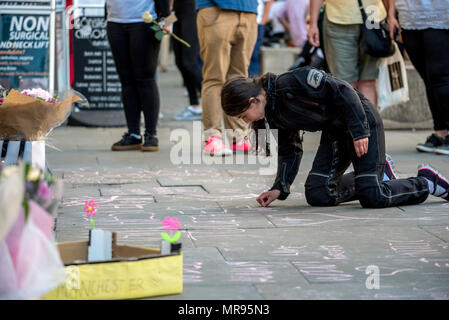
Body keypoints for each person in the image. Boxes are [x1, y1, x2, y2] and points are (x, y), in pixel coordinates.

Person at [220, 67, 449, 208]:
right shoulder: (273, 113)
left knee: (374, 196)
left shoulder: (291, 81)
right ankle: (381, 172)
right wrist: (279, 187)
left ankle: (426, 182)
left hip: (361, 121)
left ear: (253, 101)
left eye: (243, 115)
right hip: (336, 133)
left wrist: (360, 131)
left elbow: (343, 90)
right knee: (318, 194)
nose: (245, 121)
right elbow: (290, 149)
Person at [387, 0, 449, 155]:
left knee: (439, 76)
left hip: (440, 15)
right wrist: (391, 14)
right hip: (409, 17)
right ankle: (440, 132)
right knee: (428, 78)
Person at [106, 0, 170, 152]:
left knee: (145, 79)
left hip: (144, 21)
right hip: (115, 21)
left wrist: (166, 20)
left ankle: (151, 134)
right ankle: (133, 133)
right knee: (126, 80)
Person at [197, 0, 258, 156]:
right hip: (215, 9)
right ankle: (213, 137)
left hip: (248, 11)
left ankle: (237, 136)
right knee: (214, 77)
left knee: (240, 78)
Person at [308, 0, 387, 108]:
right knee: (364, 83)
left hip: (345, 16)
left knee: (347, 84)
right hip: (368, 15)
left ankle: (357, 124)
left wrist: (313, 23)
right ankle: (369, 124)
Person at [172, 0, 204, 121]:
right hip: (176, 12)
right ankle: (194, 105)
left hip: (190, 10)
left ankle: (214, 103)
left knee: (189, 62)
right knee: (180, 62)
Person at [248, 0, 274, 77]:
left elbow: (268, 2)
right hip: (246, 22)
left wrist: (262, 22)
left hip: (257, 23)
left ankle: (253, 80)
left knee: (254, 54)